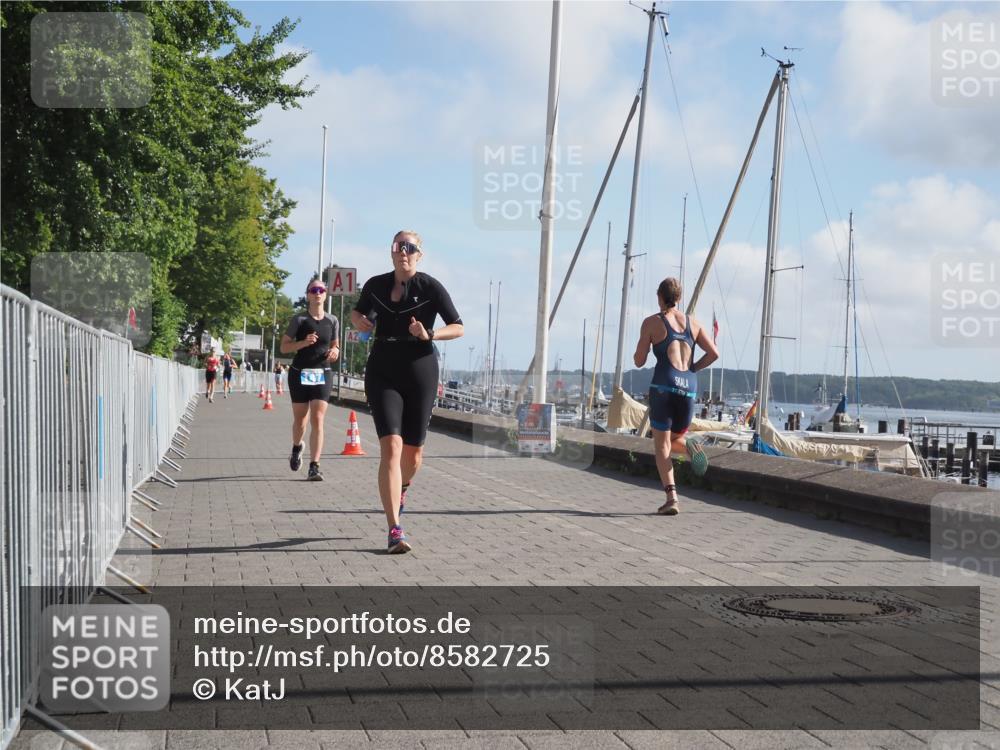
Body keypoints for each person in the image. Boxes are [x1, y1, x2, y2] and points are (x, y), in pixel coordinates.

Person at [351, 231, 463, 553]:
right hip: (383, 369)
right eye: (399, 247)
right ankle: (394, 529)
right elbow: (359, 313)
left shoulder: (431, 287)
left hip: (420, 370)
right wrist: (358, 321)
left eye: (410, 247)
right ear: (391, 252)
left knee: (413, 455)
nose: (404, 252)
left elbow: (459, 326)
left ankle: (402, 488)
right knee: (392, 447)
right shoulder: (375, 285)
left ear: (419, 254)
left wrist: (430, 333)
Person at [633, 278, 718, 515]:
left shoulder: (652, 322)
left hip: (664, 386)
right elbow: (714, 353)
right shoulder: (694, 324)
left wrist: (643, 348)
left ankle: (672, 497)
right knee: (673, 440)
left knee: (661, 445)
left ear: (659, 296)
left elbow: (639, 361)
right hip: (688, 388)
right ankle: (690, 445)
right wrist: (692, 369)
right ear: (678, 298)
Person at [280, 280, 340, 480]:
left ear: (326, 295)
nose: (317, 293)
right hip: (300, 372)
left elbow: (335, 346)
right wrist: (303, 342)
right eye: (314, 290)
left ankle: (314, 466)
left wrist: (335, 352)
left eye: (321, 290)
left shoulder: (332, 321)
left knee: (318, 418)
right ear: (307, 295)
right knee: (300, 420)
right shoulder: (299, 320)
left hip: (323, 373)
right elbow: (284, 347)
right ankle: (297, 447)